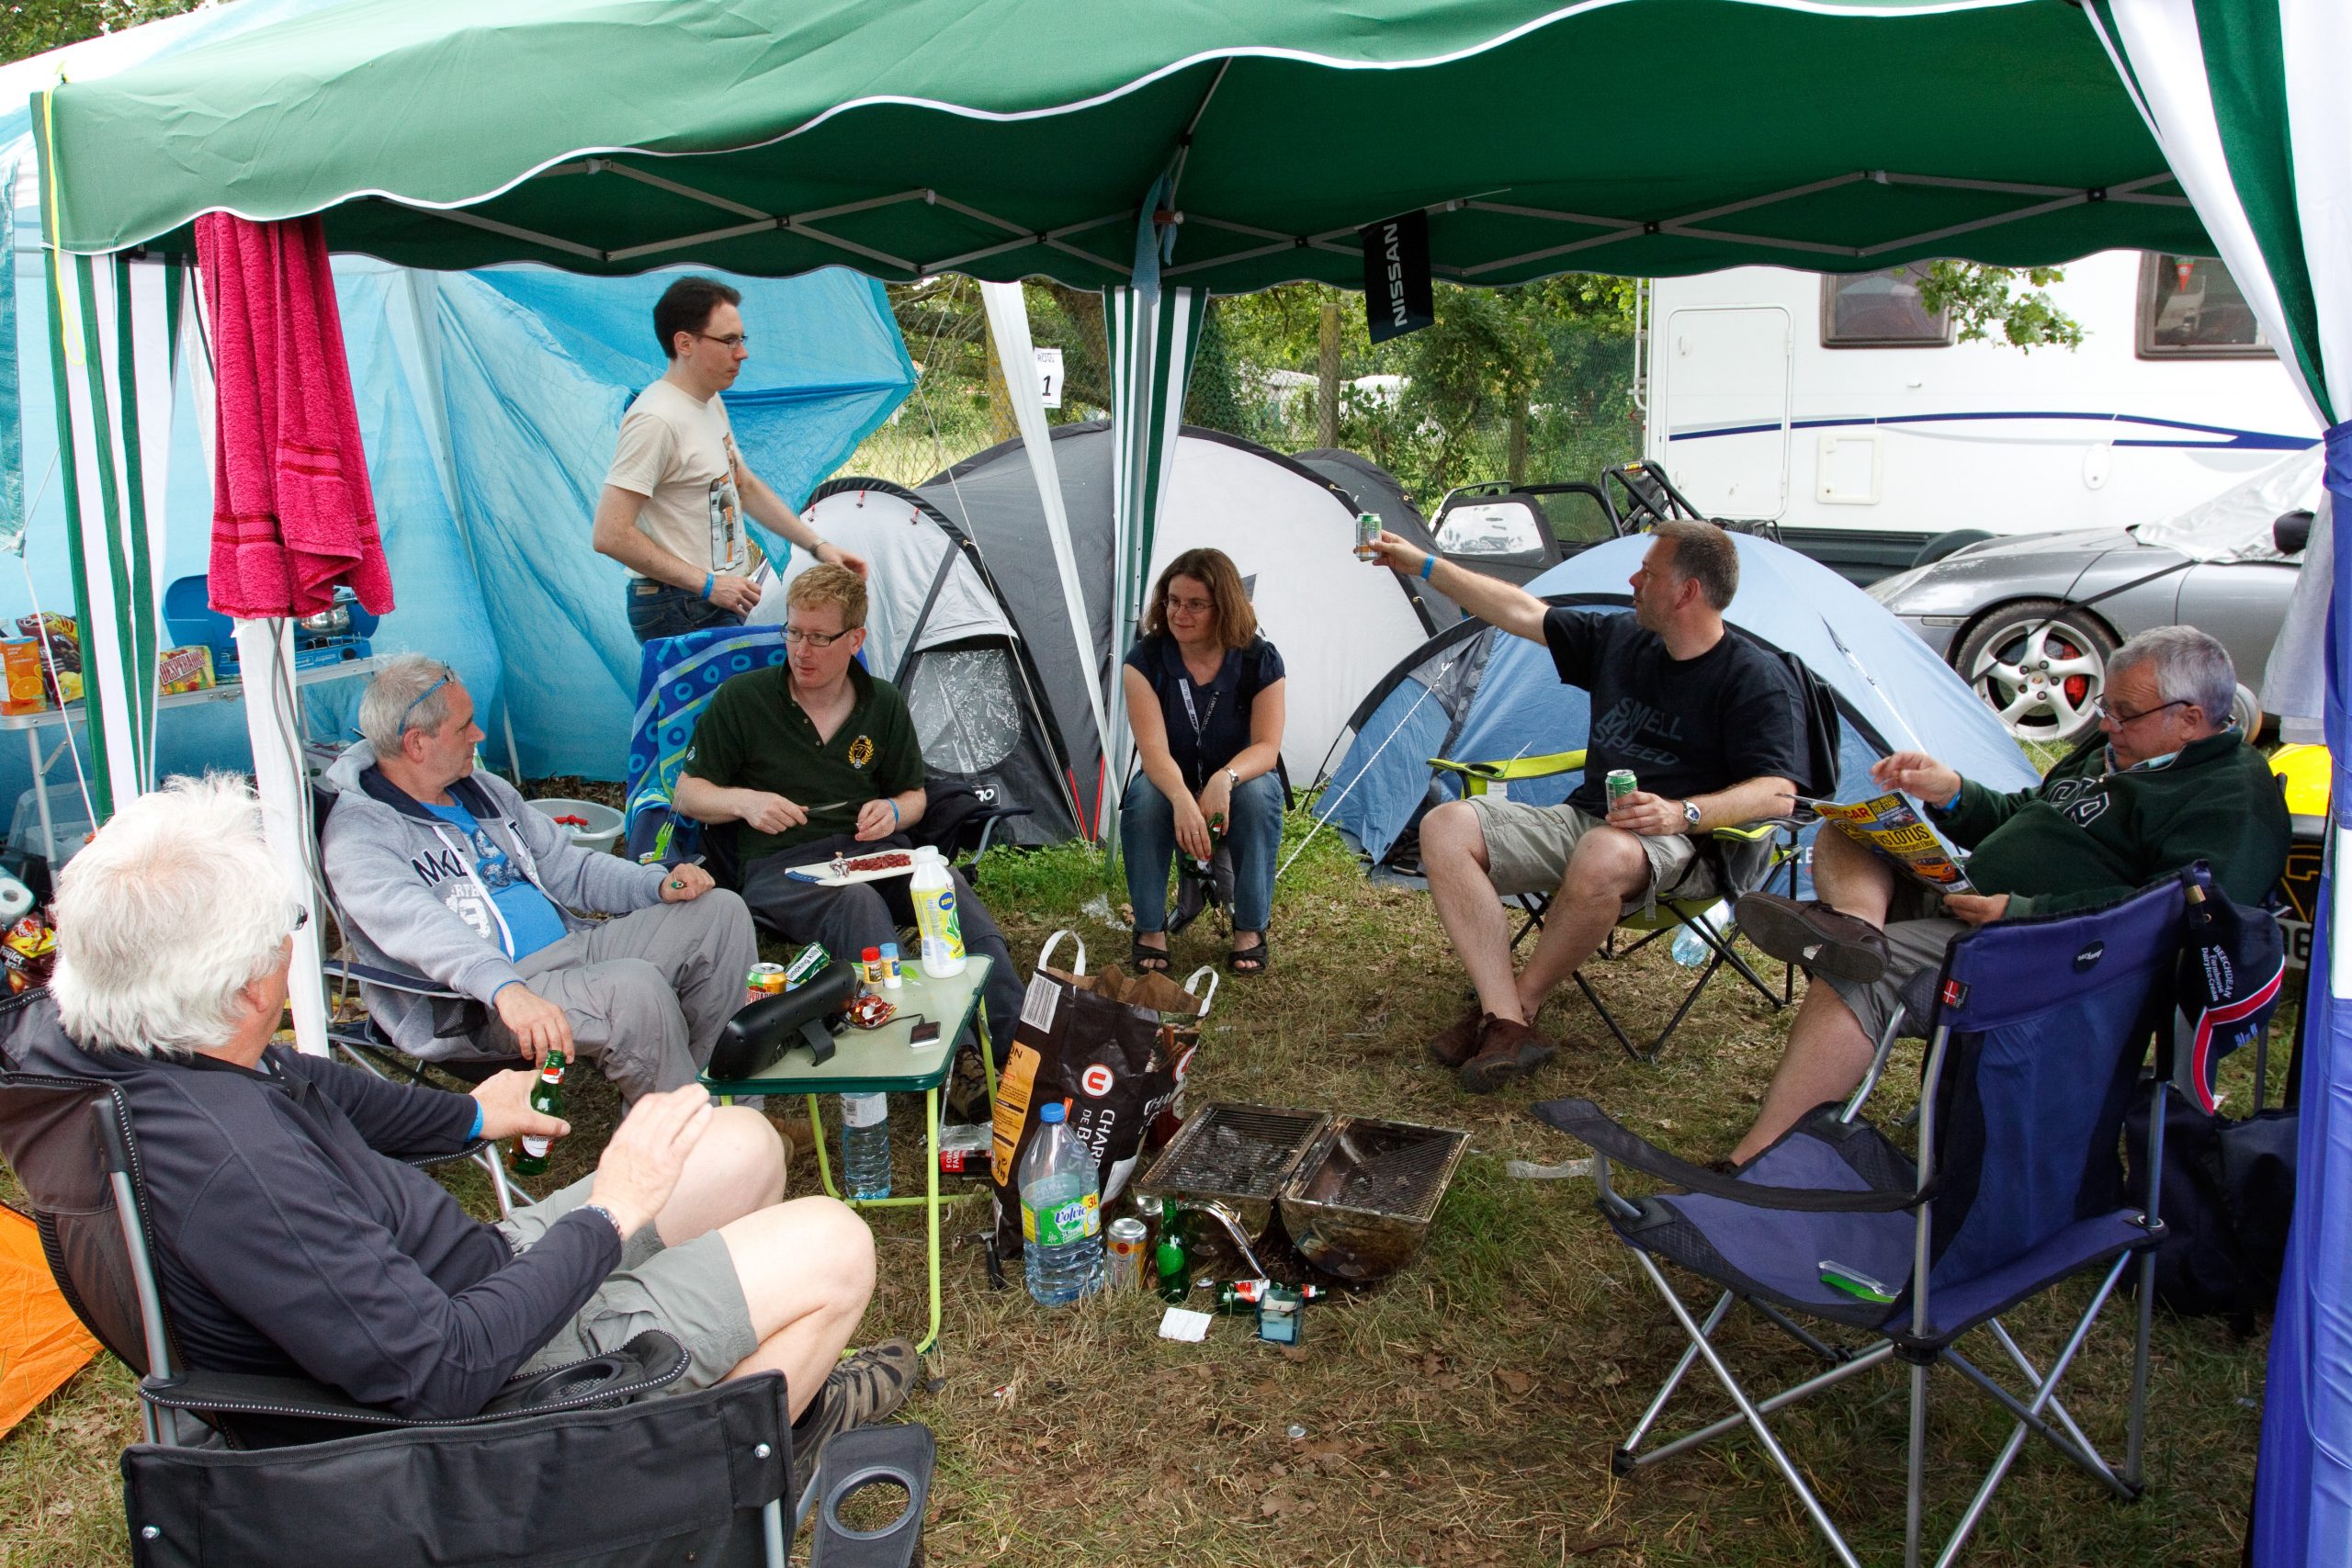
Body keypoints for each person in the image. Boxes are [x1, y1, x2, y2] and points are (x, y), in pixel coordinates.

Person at [20, 773, 913, 1442]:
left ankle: (742, 1370)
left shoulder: (141, 1043)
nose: (286, 958)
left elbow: (316, 1085)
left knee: (738, 1142)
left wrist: (472, 1120)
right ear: (242, 987)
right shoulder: (234, 1165)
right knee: (835, 1244)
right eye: (277, 941)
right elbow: (441, 1370)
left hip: (475, 1273)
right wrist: (610, 1213)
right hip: (497, 1381)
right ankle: (710, 1470)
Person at [1726, 625, 2290, 1166]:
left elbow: (2182, 908)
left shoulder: (2229, 797)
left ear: (2190, 719)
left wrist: (2024, 913)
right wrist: (1954, 795)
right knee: (1852, 826)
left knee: (1856, 980)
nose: (2108, 723)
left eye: (2123, 713)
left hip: (2049, 950)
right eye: (2106, 708)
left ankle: (1763, 1154)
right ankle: (1857, 928)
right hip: (1973, 896)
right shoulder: (2120, 750)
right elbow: (2031, 815)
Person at [1368, 522, 1808, 1093]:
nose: (1632, 580)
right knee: (1445, 823)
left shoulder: (1754, 677)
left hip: (1686, 847)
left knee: (1602, 851)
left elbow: (1780, 792)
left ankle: (1516, 1009)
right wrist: (1424, 566)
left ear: (1687, 591)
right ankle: (1506, 1020)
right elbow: (1521, 612)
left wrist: (1684, 813)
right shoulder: (1622, 640)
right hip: (1589, 820)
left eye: (1648, 573)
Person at [323, 654, 759, 1104]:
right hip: (481, 1001)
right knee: (635, 990)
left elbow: (570, 868)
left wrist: (653, 884)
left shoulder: (483, 791)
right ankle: (689, 1152)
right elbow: (419, 927)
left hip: (569, 950)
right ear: (417, 743)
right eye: (465, 726)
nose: (479, 735)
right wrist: (503, 988)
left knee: (719, 913)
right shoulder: (361, 834)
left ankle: (734, 1109)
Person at [673, 563, 1024, 1057]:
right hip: (784, 866)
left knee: (947, 887)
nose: (800, 650)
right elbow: (687, 795)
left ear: (855, 639)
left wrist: (891, 811)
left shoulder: (881, 703)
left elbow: (914, 795)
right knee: (856, 903)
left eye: (819, 637)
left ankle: (1021, 1043)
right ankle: (944, 1054)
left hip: (872, 853)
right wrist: (745, 802)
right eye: (793, 631)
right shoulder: (743, 700)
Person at [593, 275, 868, 643]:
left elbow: (745, 486)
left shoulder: (709, 401)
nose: (742, 353)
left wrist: (818, 546)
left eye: (742, 339)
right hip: (679, 604)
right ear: (685, 343)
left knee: (733, 701)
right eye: (729, 340)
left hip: (709, 598)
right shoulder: (656, 419)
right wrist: (708, 584)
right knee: (719, 703)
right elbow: (610, 533)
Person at [1121, 548, 1288, 976]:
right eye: (1173, 601)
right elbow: (1153, 751)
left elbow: (1267, 748)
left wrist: (1223, 779)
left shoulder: (1259, 659)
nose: (1180, 613)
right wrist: (1180, 797)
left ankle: (1249, 928)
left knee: (1259, 793)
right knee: (1144, 799)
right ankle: (1149, 930)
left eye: (1196, 604)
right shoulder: (1145, 660)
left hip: (1237, 779)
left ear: (1224, 606)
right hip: (1169, 777)